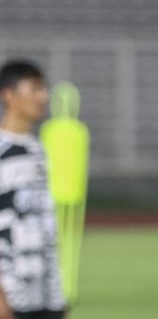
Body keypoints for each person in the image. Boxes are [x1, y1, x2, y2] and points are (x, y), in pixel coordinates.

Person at [0, 61, 66, 319]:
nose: (43, 96)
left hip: (44, 292)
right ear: (8, 94)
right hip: (12, 293)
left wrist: (56, 294)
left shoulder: (38, 150)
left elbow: (43, 224)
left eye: (43, 89)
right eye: (34, 89)